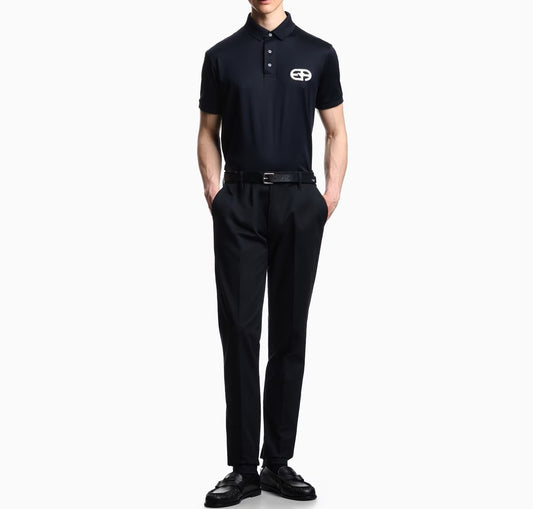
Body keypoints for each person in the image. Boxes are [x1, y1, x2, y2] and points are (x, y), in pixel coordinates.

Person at [197, 1, 347, 506]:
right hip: (238, 203)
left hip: (298, 202)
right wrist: (215, 193)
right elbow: (208, 131)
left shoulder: (318, 53)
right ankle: (243, 469)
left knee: (289, 333)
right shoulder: (221, 56)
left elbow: (336, 130)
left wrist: (328, 196)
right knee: (239, 332)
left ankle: (277, 463)